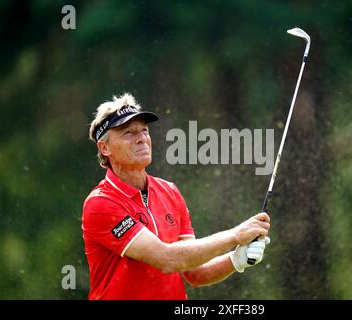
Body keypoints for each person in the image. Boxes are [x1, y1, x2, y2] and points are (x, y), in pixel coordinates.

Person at [82, 93, 271, 300]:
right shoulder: (100, 203)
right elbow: (167, 259)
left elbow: (195, 272)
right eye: (128, 133)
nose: (141, 138)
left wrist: (236, 259)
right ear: (104, 147)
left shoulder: (169, 191)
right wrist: (235, 235)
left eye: (144, 130)